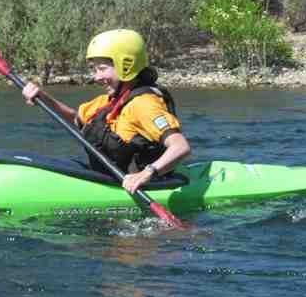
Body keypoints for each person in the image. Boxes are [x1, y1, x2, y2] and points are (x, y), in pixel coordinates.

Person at [22, 28, 191, 195]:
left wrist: (146, 174)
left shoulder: (144, 104)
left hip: (141, 186)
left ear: (126, 65)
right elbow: (76, 118)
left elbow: (180, 146)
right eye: (94, 70)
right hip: (108, 179)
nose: (96, 77)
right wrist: (43, 98)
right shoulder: (110, 102)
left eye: (102, 69)